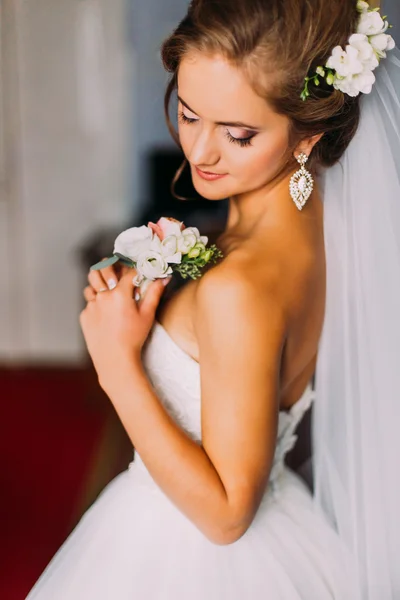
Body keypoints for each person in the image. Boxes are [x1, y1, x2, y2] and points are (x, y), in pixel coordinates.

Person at [26, 1, 400, 598]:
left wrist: (117, 363)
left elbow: (227, 514)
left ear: (308, 132)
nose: (200, 152)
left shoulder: (239, 288)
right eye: (190, 113)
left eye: (239, 134)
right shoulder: (318, 227)